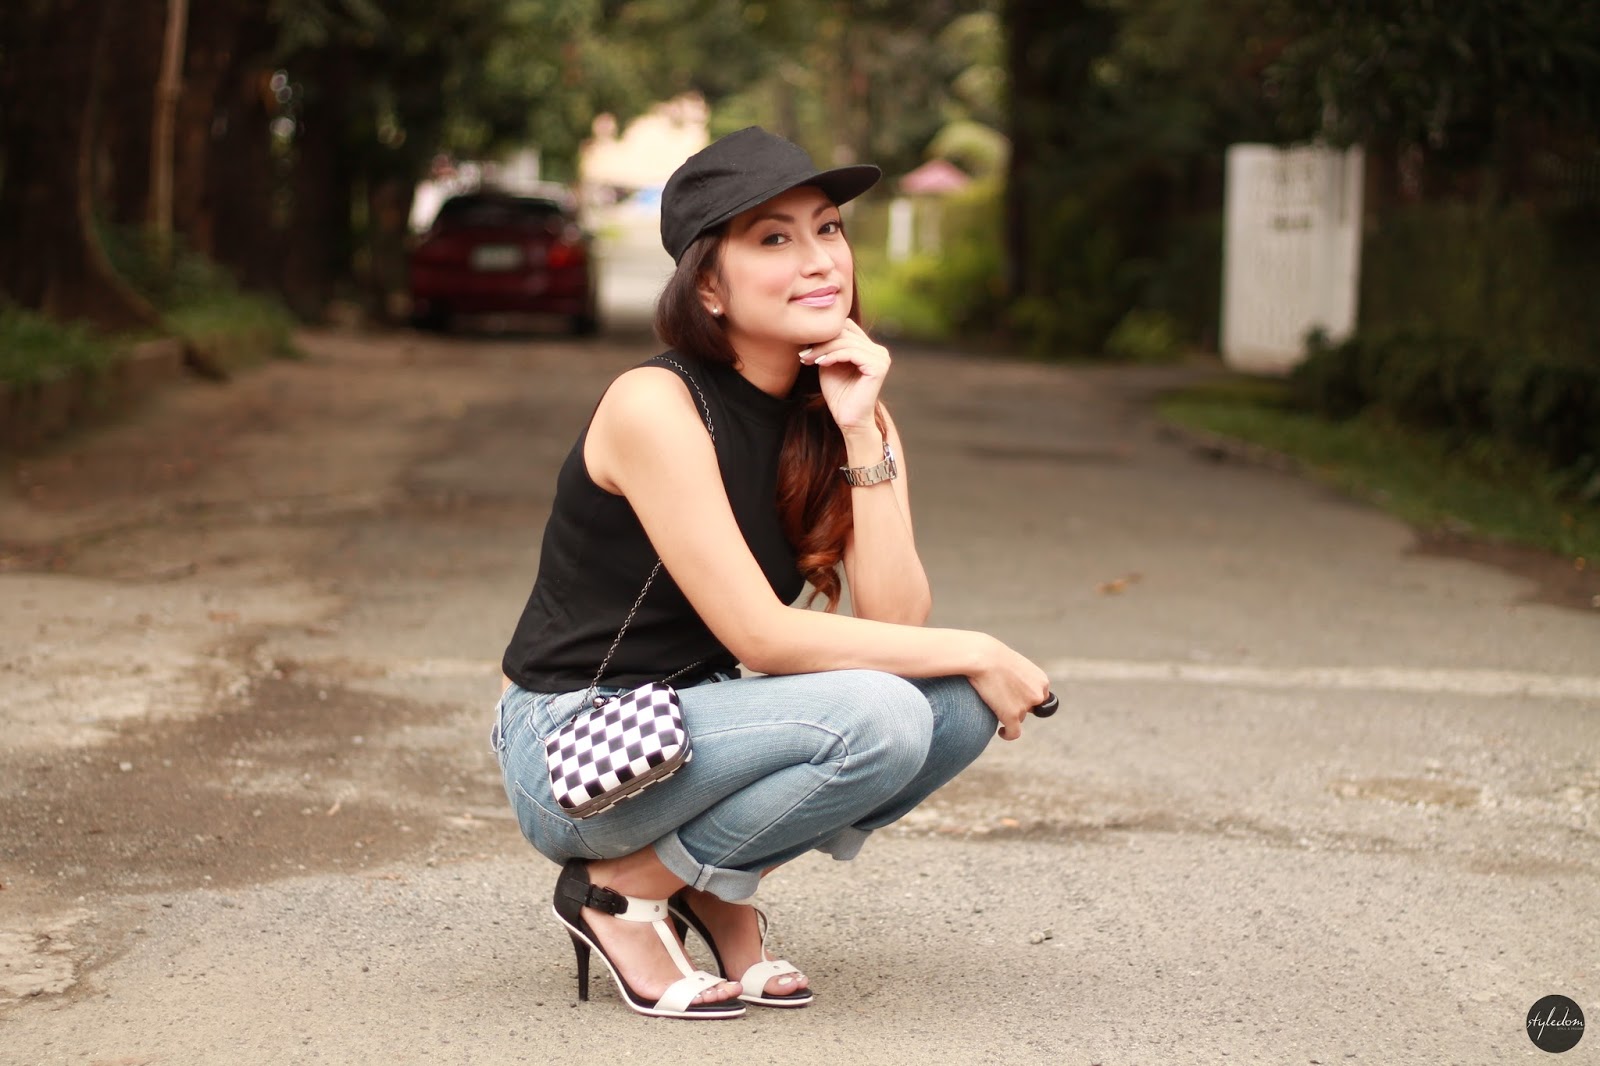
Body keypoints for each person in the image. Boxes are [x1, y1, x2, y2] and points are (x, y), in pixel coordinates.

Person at [490, 126, 1053, 1020]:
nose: (819, 259)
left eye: (827, 228)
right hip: (578, 747)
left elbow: (896, 627)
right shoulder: (655, 403)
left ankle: (695, 882)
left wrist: (861, 431)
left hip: (701, 726)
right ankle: (619, 895)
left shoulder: (842, 409)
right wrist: (982, 644)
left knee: (953, 704)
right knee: (884, 713)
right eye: (774, 238)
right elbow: (760, 636)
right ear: (708, 286)